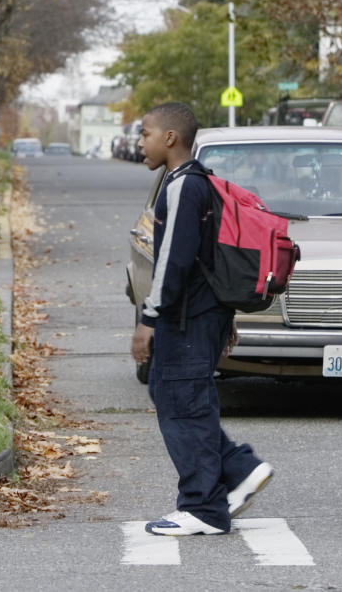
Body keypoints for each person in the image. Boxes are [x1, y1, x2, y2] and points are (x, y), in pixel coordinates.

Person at [130, 102, 273, 536]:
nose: (141, 143)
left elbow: (173, 259)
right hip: (202, 315)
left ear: (170, 138)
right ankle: (236, 469)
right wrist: (223, 318)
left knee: (183, 404)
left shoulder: (181, 187)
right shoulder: (198, 183)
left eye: (146, 133)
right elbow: (209, 259)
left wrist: (148, 318)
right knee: (178, 397)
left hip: (186, 318)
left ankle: (203, 507)